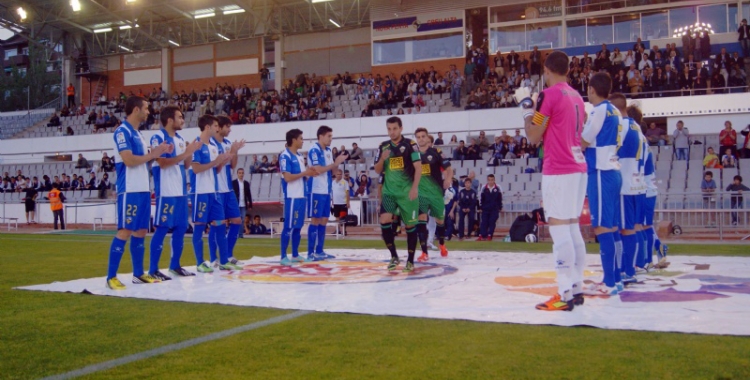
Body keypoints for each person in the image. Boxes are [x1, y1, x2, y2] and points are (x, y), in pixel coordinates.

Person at [106, 96, 172, 290]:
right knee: (125, 230)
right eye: (146, 108)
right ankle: (111, 277)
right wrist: (152, 154)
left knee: (141, 231)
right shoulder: (122, 132)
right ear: (136, 110)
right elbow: (128, 160)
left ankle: (138, 274)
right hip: (129, 189)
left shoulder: (138, 134)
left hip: (143, 189)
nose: (148, 112)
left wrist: (158, 152)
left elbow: (144, 160)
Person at [148, 106, 203, 280]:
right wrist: (186, 152)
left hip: (180, 191)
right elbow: (163, 163)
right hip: (166, 190)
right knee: (162, 228)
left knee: (180, 228)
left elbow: (186, 166)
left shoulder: (180, 139)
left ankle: (175, 265)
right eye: (179, 117)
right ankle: (153, 269)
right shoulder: (158, 137)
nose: (182, 120)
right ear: (170, 120)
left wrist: (190, 153)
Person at [581, 72, 622, 297]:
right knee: (612, 227)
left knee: (602, 228)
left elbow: (584, 141)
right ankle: (614, 278)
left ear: (592, 89)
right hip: (612, 170)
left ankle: (609, 281)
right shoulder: (614, 110)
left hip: (600, 171)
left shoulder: (598, 110)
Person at [375, 116, 421, 272]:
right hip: (389, 192)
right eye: (389, 129)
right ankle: (394, 256)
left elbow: (419, 168)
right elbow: (377, 169)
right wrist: (382, 159)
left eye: (394, 128)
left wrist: (415, 188)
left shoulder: (410, 145)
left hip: (407, 193)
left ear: (401, 128)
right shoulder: (383, 146)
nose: (391, 132)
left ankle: (410, 260)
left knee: (410, 225)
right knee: (384, 220)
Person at [190, 114, 234, 273]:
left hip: (213, 192)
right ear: (207, 127)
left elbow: (216, 170)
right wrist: (216, 162)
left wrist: (222, 162)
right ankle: (200, 262)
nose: (217, 128)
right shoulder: (196, 145)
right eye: (215, 126)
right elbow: (195, 169)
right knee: (200, 227)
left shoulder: (213, 147)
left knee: (221, 225)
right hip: (200, 192)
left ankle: (222, 261)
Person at [609, 93, 645, 285]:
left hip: (623, 183)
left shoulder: (622, 126)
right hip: (633, 181)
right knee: (629, 227)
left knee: (625, 229)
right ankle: (629, 268)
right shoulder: (635, 125)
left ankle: (627, 269)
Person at [207, 116, 246, 269]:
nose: (229, 130)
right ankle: (213, 258)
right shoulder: (211, 144)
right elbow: (215, 167)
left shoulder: (228, 143)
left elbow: (233, 166)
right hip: (216, 189)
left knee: (237, 220)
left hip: (228, 189)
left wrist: (234, 152)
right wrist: (225, 157)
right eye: (227, 127)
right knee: (216, 224)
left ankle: (229, 254)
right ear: (219, 127)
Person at [307, 126, 348, 260]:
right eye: (329, 136)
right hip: (316, 189)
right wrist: (334, 163)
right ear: (321, 136)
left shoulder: (329, 150)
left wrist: (337, 164)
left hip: (326, 190)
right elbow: (318, 169)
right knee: (315, 220)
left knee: (324, 220)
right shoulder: (314, 150)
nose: (331, 139)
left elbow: (333, 172)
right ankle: (310, 253)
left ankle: (319, 251)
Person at [279, 128, 318, 265]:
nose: (303, 141)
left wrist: (309, 174)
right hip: (292, 196)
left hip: (302, 195)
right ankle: (283, 256)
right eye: (301, 138)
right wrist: (304, 173)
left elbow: (302, 177)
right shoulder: (285, 156)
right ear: (294, 140)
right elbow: (288, 177)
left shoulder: (300, 157)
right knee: (289, 226)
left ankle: (295, 254)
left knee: (298, 226)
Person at [414, 128, 453, 261]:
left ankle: (441, 244)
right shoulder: (413, 155)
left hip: (436, 193)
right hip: (421, 194)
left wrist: (448, 179)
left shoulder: (436, 152)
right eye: (418, 137)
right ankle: (424, 252)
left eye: (423, 136)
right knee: (421, 221)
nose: (421, 139)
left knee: (440, 221)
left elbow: (448, 168)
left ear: (427, 138)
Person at [477, 174, 502, 241]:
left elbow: (500, 198)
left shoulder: (498, 187)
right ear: (487, 180)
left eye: (492, 180)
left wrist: (500, 207)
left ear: (494, 180)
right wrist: (481, 207)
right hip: (485, 208)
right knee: (484, 222)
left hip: (494, 209)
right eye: (489, 180)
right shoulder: (484, 188)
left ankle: (490, 235)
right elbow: (481, 199)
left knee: (492, 221)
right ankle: (482, 235)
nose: (490, 181)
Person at [232, 168, 253, 238]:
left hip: (243, 204)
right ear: (237, 174)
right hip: (236, 204)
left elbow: (248, 194)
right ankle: (235, 233)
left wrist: (250, 204)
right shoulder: (233, 183)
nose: (241, 174)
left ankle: (240, 234)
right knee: (236, 219)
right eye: (240, 173)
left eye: (242, 173)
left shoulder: (246, 183)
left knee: (242, 219)